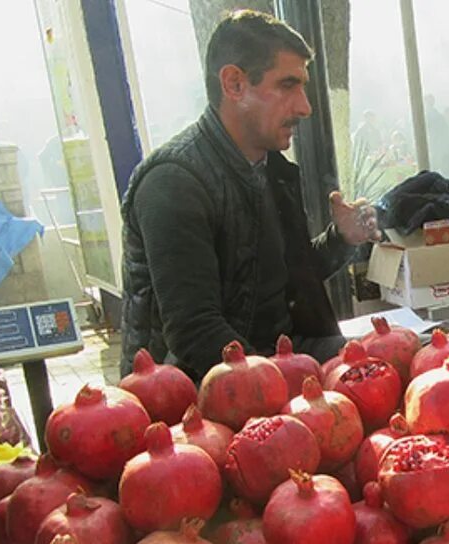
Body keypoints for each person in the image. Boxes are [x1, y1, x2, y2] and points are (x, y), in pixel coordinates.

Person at [119, 10, 380, 380]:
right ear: (234, 84)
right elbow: (195, 333)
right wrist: (291, 389)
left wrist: (341, 239)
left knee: (403, 350)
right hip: (195, 387)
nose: (305, 107)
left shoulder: (269, 167)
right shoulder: (174, 183)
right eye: (288, 85)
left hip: (277, 352)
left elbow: (278, 281)